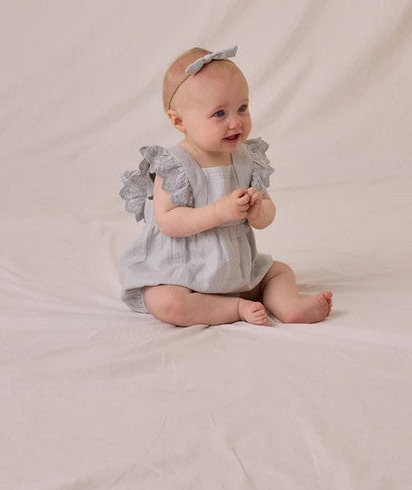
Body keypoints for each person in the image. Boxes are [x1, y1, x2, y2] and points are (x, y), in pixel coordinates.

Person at [119, 45, 332, 326]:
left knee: (279, 272)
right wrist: (219, 212)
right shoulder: (175, 165)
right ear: (179, 121)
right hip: (182, 272)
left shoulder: (246, 159)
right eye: (219, 113)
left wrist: (259, 211)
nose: (236, 122)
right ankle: (235, 308)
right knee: (167, 302)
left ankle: (290, 307)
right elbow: (168, 221)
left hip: (235, 268)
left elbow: (267, 212)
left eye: (242, 108)